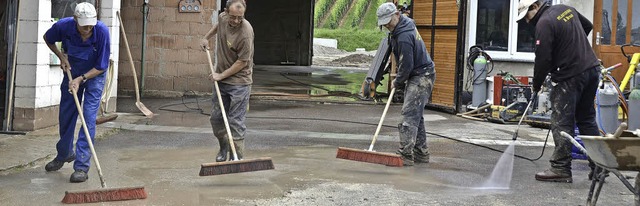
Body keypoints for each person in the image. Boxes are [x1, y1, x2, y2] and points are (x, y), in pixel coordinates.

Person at [517, 0, 600, 183]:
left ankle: (560, 168)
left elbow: (543, 59)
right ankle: (600, 166)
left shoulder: (544, 23)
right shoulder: (566, 9)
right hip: (592, 69)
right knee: (586, 119)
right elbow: (588, 25)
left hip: (570, 75)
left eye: (527, 16)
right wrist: (572, 47)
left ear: (534, 7)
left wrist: (536, 85)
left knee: (561, 121)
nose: (528, 22)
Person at [43, 2, 110, 183]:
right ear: (75, 20)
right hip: (72, 71)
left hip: (94, 75)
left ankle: (81, 166)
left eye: (91, 25)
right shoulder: (63, 26)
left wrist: (81, 79)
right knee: (66, 115)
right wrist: (61, 56)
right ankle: (64, 154)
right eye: (84, 26)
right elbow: (48, 38)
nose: (88, 29)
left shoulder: (102, 31)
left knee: (88, 118)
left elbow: (101, 66)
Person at [376, 2, 436, 166]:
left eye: (388, 21)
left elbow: (407, 65)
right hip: (420, 72)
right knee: (416, 115)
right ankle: (421, 152)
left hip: (422, 75)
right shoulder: (403, 24)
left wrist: (398, 81)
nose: (387, 25)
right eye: (384, 23)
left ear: (396, 15)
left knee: (409, 115)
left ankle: (406, 155)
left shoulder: (403, 35)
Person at [200, 0, 254, 162]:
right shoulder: (224, 18)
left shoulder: (246, 32)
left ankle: (236, 157)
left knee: (235, 121)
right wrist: (206, 38)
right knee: (216, 119)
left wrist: (220, 75)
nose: (236, 21)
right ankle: (224, 148)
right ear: (226, 12)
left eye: (240, 17)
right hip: (222, 81)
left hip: (240, 82)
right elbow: (219, 26)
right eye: (233, 17)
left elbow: (242, 62)